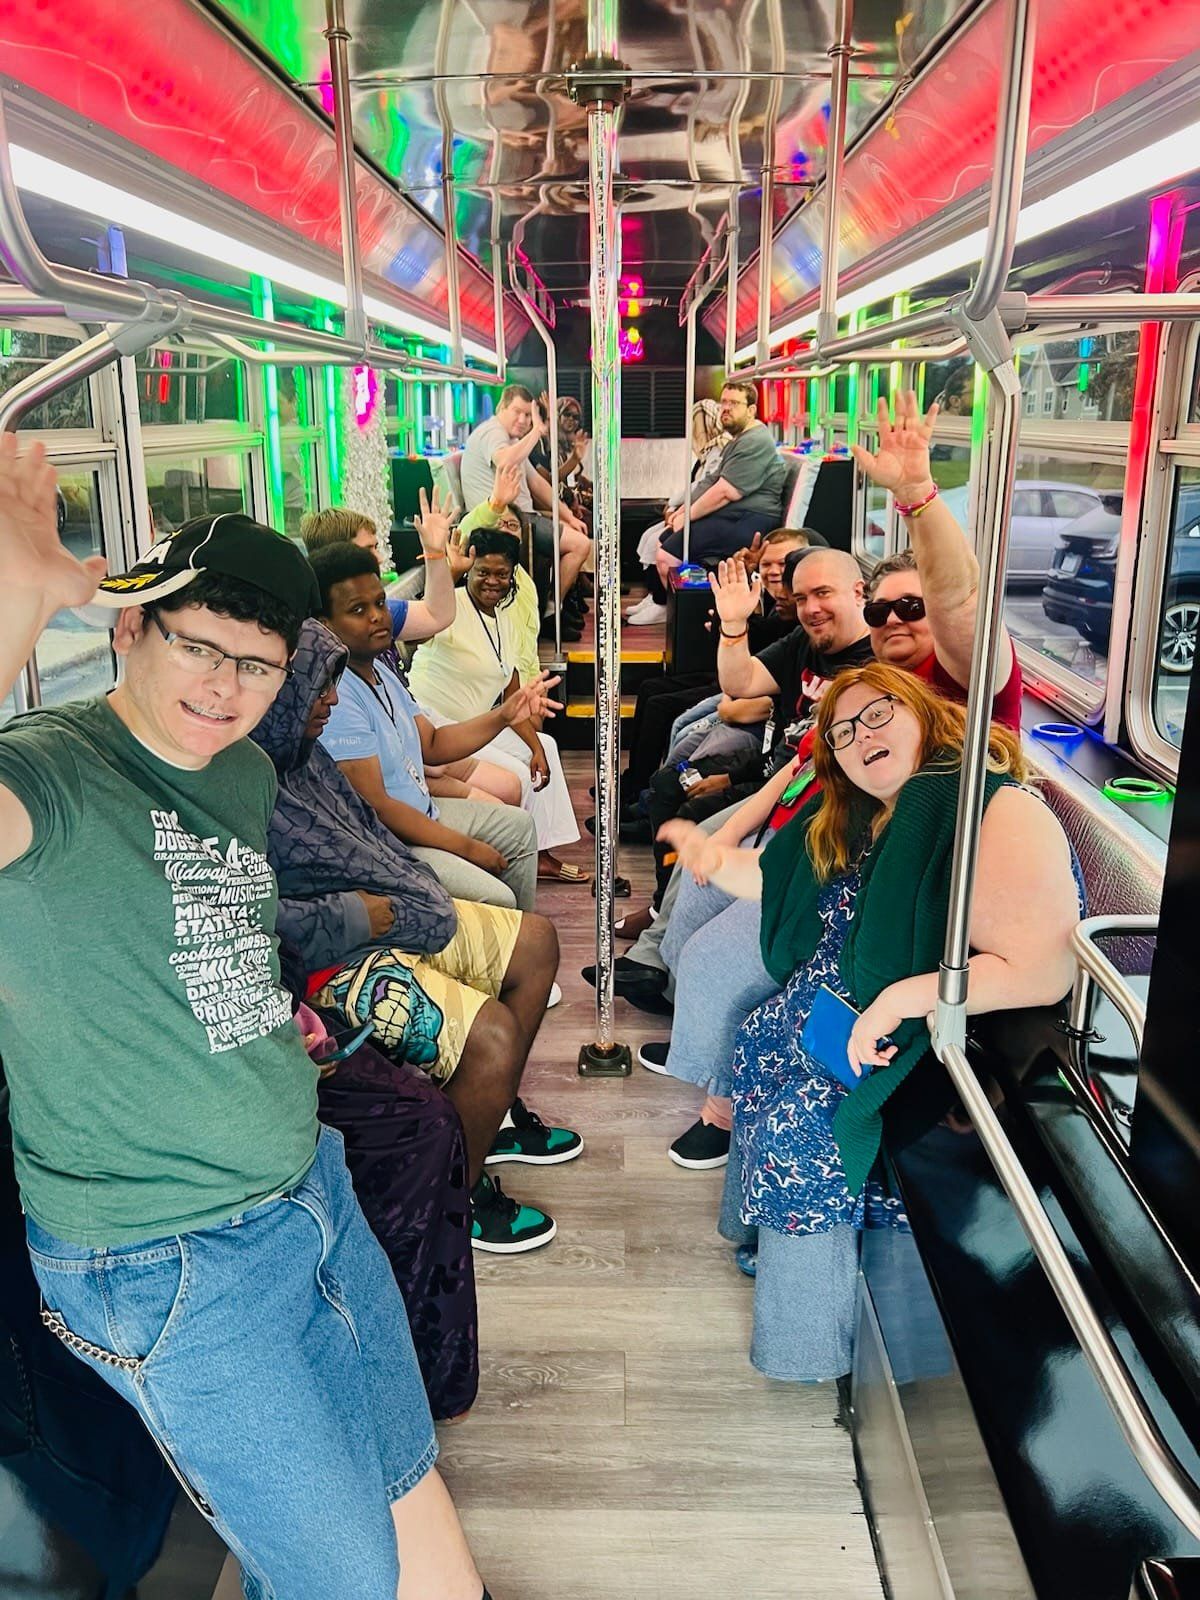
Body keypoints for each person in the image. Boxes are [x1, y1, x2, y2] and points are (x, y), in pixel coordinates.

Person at [0, 444, 489, 1600]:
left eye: (259, 667)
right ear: (130, 631)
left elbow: (206, 935)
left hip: (309, 1201)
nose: (227, 688)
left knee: (430, 1564)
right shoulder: (48, 778)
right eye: (199, 648)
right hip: (170, 1257)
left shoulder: (238, 777)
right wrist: (17, 602)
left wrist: (266, 1023)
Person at [622, 390, 1027, 1171]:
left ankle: (722, 1097)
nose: (894, 621)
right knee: (706, 885)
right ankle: (712, 1067)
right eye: (880, 611)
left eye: (909, 606)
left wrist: (916, 497)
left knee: (716, 952)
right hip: (839, 868)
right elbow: (808, 768)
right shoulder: (867, 690)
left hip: (907, 901)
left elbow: (957, 600)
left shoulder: (973, 685)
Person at [658, 661, 1079, 1382]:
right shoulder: (859, 815)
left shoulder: (993, 808)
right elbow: (780, 878)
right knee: (757, 1038)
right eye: (843, 731)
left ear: (927, 714)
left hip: (911, 1045)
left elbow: (1044, 968)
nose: (859, 736)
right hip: (827, 1017)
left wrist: (895, 1001)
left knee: (803, 1123)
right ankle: (774, 1246)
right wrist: (710, 856)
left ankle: (806, 1350)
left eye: (878, 714)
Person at [251, 619, 581, 1257]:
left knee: (537, 942)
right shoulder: (244, 781)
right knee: (491, 1035)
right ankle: (453, 1194)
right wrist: (364, 914)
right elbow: (256, 917)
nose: (332, 700)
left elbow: (365, 840)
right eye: (318, 688)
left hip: (386, 914)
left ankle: (488, 1117)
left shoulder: (306, 754)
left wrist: (405, 897)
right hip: (321, 962)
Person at [311, 542, 551, 911]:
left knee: (519, 828)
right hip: (389, 843)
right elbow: (379, 807)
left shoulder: (380, 675)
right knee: (497, 896)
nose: (377, 616)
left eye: (379, 603)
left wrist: (504, 714)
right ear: (325, 625)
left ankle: (511, 945)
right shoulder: (339, 696)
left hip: (423, 812)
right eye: (358, 610)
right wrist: (467, 848)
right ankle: (505, 945)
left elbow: (434, 743)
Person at [408, 526, 586, 886]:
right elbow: (419, 631)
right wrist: (449, 571)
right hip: (436, 726)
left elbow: (511, 693)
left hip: (477, 724)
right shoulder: (449, 606)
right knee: (519, 775)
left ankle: (540, 854)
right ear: (470, 570)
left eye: (502, 574)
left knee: (546, 748)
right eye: (483, 572)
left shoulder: (505, 616)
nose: (492, 581)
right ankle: (513, 853)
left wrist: (535, 745)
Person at [460, 383, 591, 630]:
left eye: (528, 415)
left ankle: (554, 606)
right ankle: (552, 611)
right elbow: (504, 461)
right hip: (500, 522)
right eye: (517, 412)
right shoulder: (493, 433)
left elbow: (538, 485)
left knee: (577, 529)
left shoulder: (512, 439)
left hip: (523, 516)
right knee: (580, 545)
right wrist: (536, 432)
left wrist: (568, 517)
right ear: (502, 408)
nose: (523, 419)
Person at [654, 381, 788, 578]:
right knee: (663, 539)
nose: (726, 408)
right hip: (731, 515)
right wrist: (682, 511)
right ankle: (663, 602)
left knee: (667, 557)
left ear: (751, 410)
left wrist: (687, 518)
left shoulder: (756, 441)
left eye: (734, 403)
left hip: (749, 518)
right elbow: (711, 481)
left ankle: (687, 607)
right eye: (723, 402)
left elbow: (725, 492)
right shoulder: (737, 440)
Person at [300, 488, 459, 645]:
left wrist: (435, 553)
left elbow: (436, 616)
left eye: (375, 548)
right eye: (367, 550)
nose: (379, 558)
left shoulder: (378, 610)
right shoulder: (306, 638)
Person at [627, 398, 728, 626]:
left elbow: (704, 488)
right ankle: (656, 596)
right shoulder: (705, 454)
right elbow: (695, 486)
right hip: (692, 510)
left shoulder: (719, 451)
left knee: (658, 541)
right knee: (647, 537)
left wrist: (678, 509)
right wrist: (674, 507)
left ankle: (663, 602)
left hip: (707, 515)